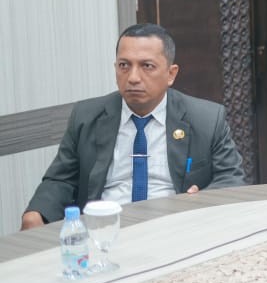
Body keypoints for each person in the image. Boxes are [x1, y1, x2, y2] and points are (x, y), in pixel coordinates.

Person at [21, 23, 246, 229]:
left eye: (147, 66)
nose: (133, 77)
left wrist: (201, 200)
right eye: (124, 65)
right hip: (106, 229)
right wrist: (37, 213)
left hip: (173, 227)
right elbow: (60, 179)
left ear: (171, 74)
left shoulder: (206, 119)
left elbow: (231, 178)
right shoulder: (86, 116)